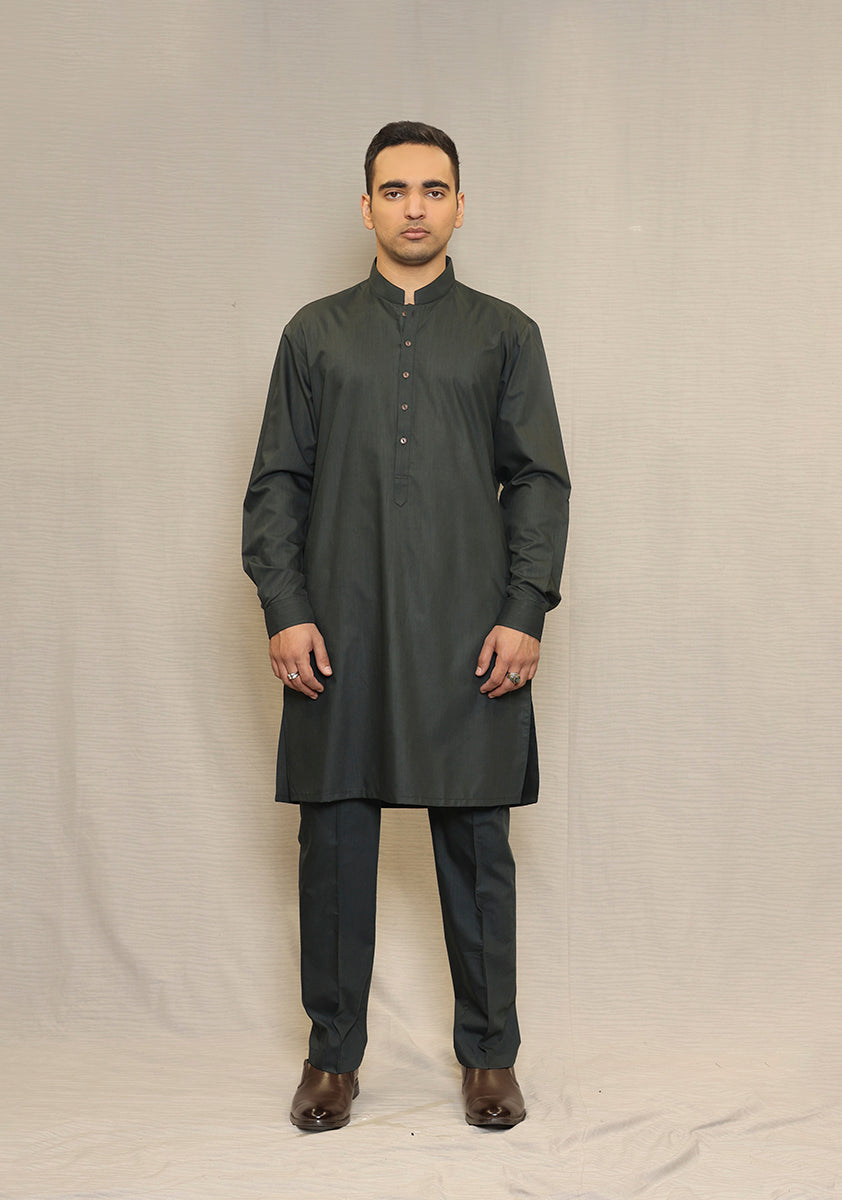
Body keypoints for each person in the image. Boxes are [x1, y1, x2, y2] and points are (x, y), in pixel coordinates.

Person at [243, 121, 570, 1131]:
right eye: (395, 190)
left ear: (460, 206)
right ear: (367, 207)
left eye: (433, 189)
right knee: (334, 854)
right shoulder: (314, 334)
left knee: (477, 857)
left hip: (469, 633)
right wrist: (286, 609)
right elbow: (276, 485)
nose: (414, 207)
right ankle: (332, 1061)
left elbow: (538, 481)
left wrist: (524, 611)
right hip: (337, 634)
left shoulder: (505, 334)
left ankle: (490, 1058)